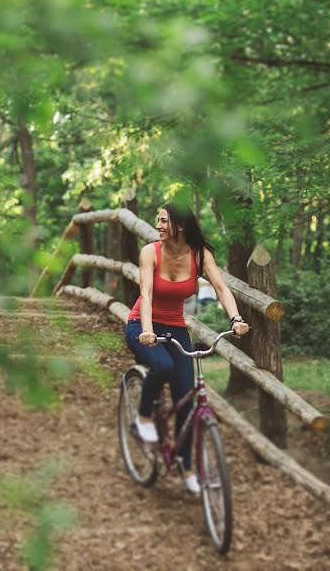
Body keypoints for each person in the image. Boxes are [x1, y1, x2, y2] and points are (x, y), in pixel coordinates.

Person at [125, 203, 249, 494]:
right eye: (158, 221)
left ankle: (187, 466)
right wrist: (146, 330)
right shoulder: (150, 252)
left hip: (176, 328)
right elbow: (146, 293)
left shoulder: (199, 254)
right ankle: (143, 416)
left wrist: (236, 318)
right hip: (141, 325)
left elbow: (221, 288)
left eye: (164, 221)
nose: (158, 226)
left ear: (180, 226)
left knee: (186, 399)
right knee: (163, 366)